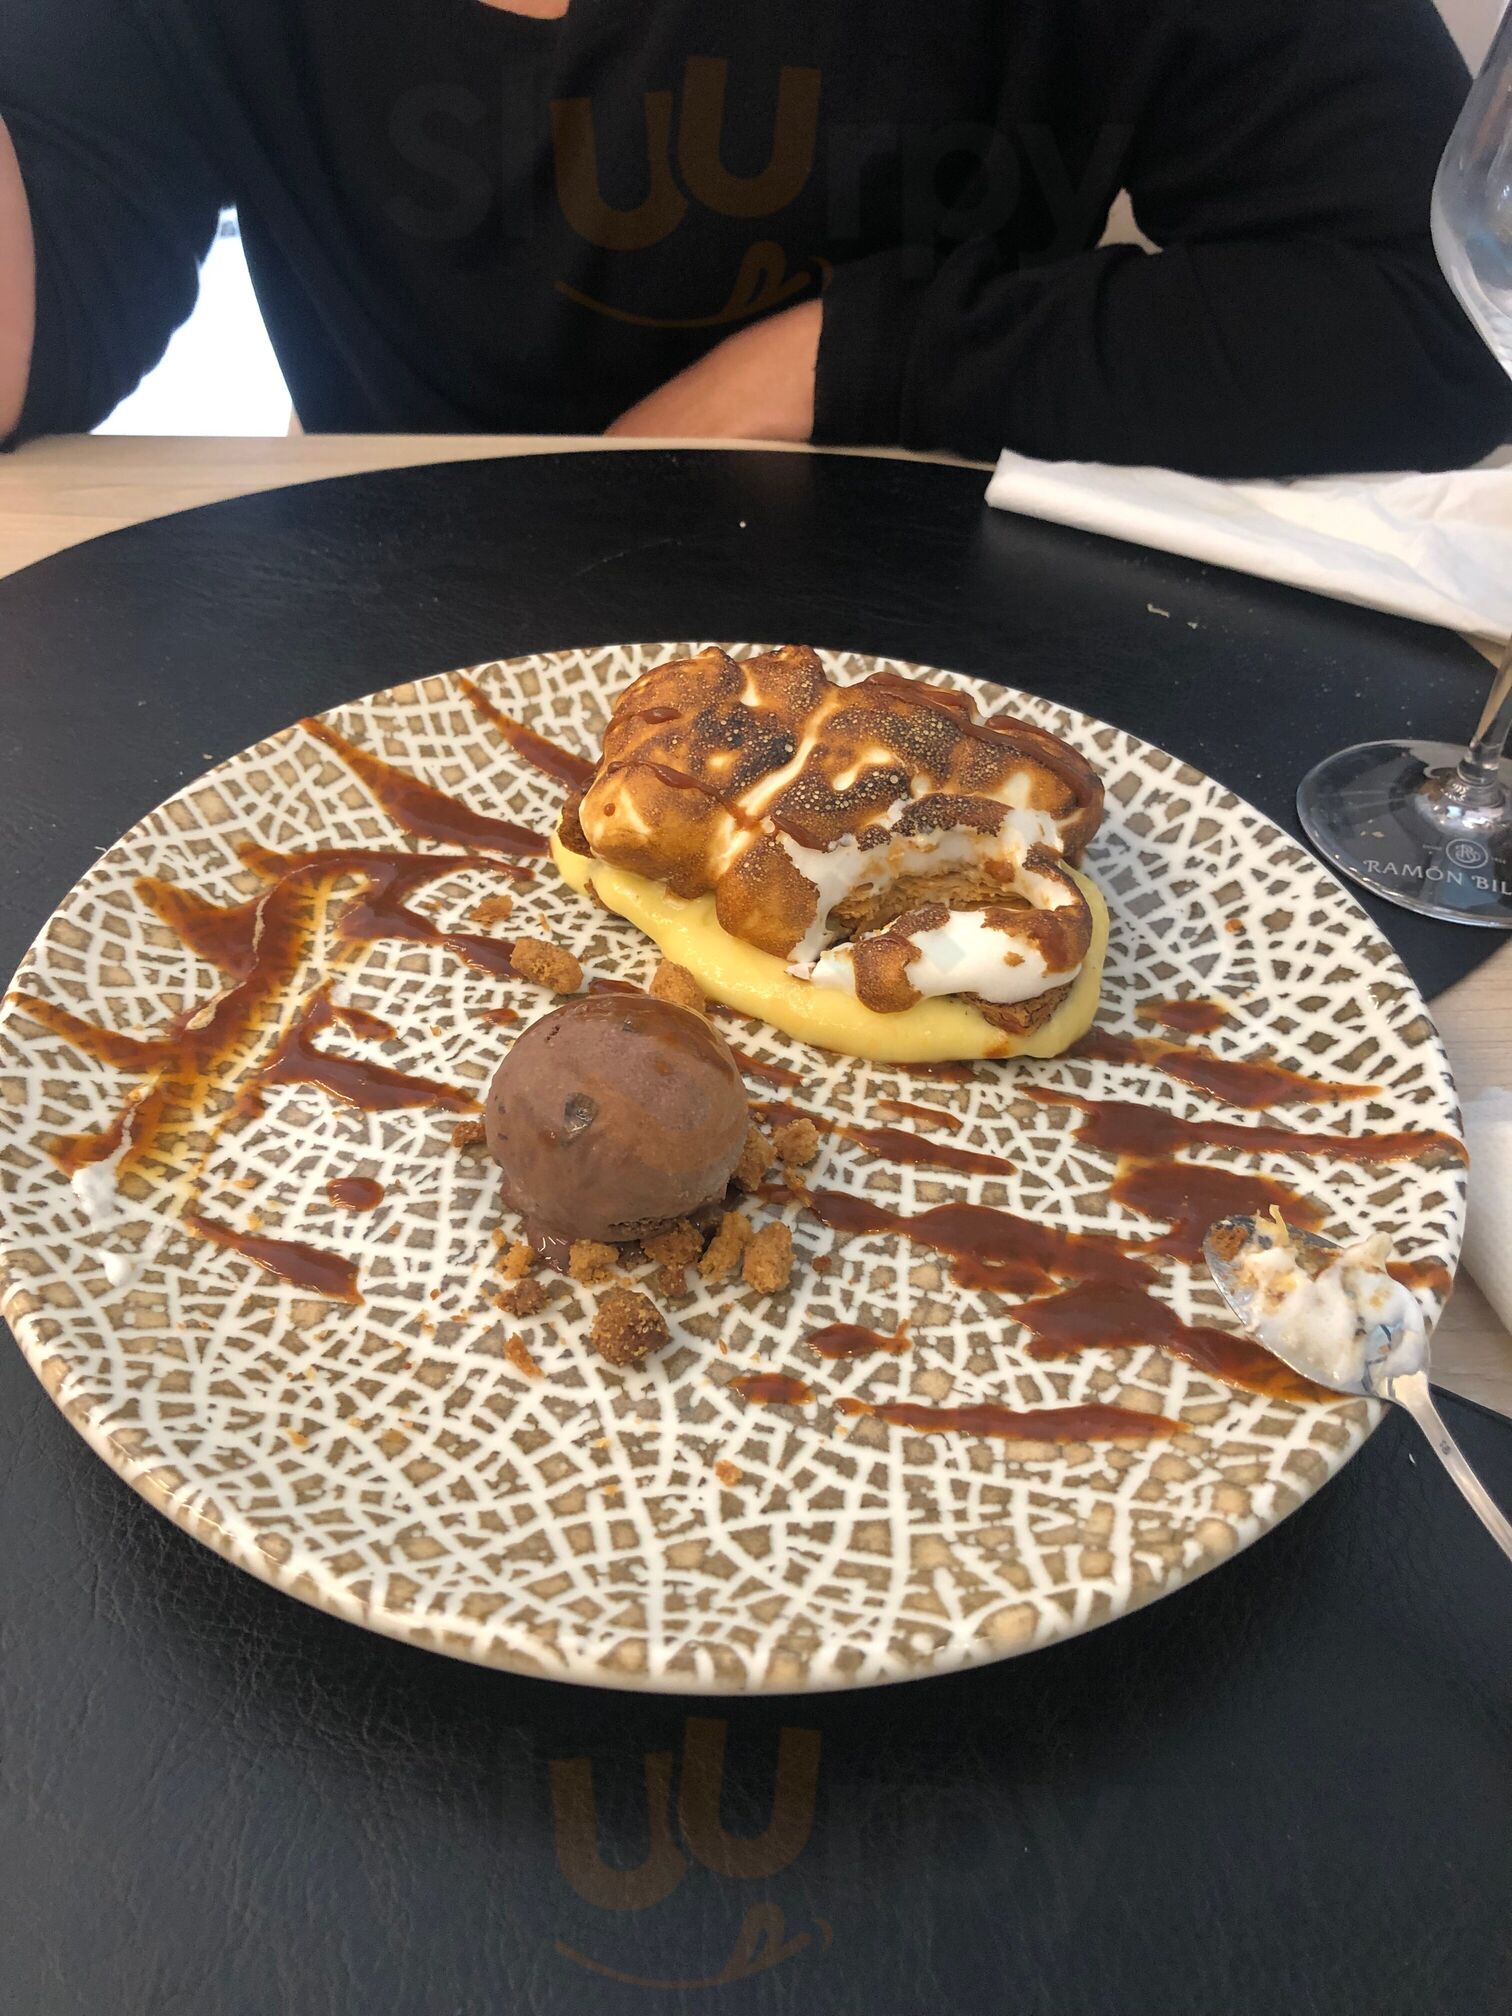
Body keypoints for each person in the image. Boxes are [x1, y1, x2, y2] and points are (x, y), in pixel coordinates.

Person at [2, 0, 1508, 474]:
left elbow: (1442, 314)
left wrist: (850, 361)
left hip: (937, 657)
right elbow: (38, 328)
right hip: (381, 688)